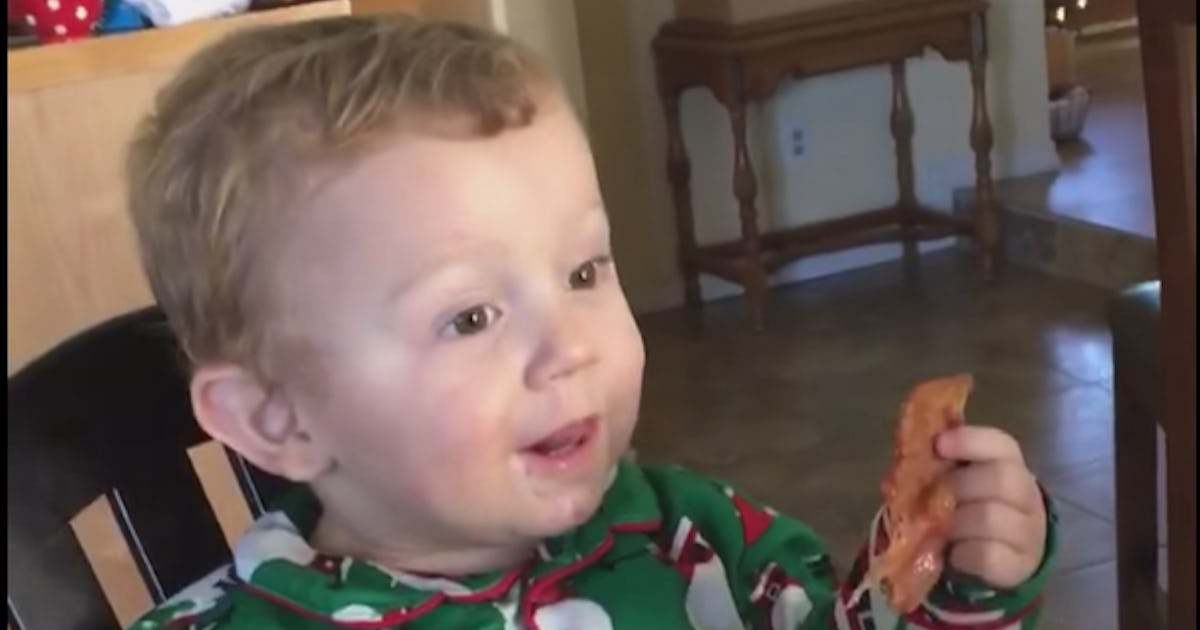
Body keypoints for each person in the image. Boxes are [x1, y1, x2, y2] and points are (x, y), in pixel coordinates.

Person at [125, 15, 1055, 630]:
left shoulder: (697, 539)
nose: (571, 345)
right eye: (471, 316)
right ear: (278, 420)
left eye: (583, 270)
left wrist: (963, 571)